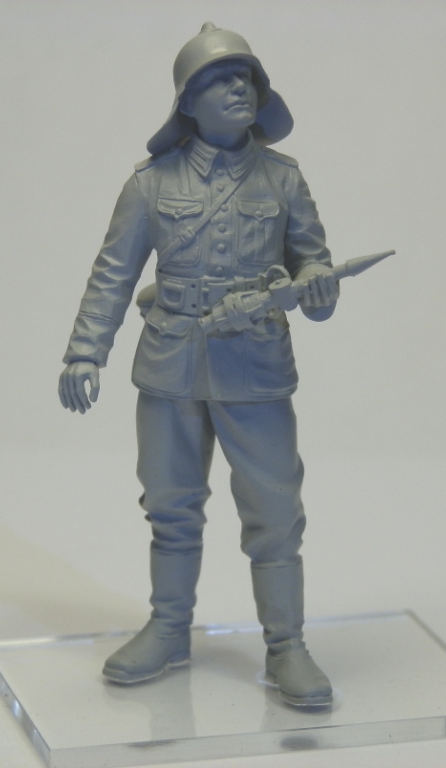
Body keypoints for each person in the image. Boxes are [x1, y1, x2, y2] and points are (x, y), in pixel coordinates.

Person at [59, 22, 337, 707]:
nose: (238, 87)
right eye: (219, 79)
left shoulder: (284, 178)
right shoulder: (150, 184)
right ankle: (168, 628)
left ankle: (286, 645)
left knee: (275, 509)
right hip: (172, 363)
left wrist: (318, 287)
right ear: (187, 101)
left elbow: (314, 266)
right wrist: (85, 350)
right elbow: (113, 275)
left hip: (255, 365)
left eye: (246, 77)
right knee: (170, 504)